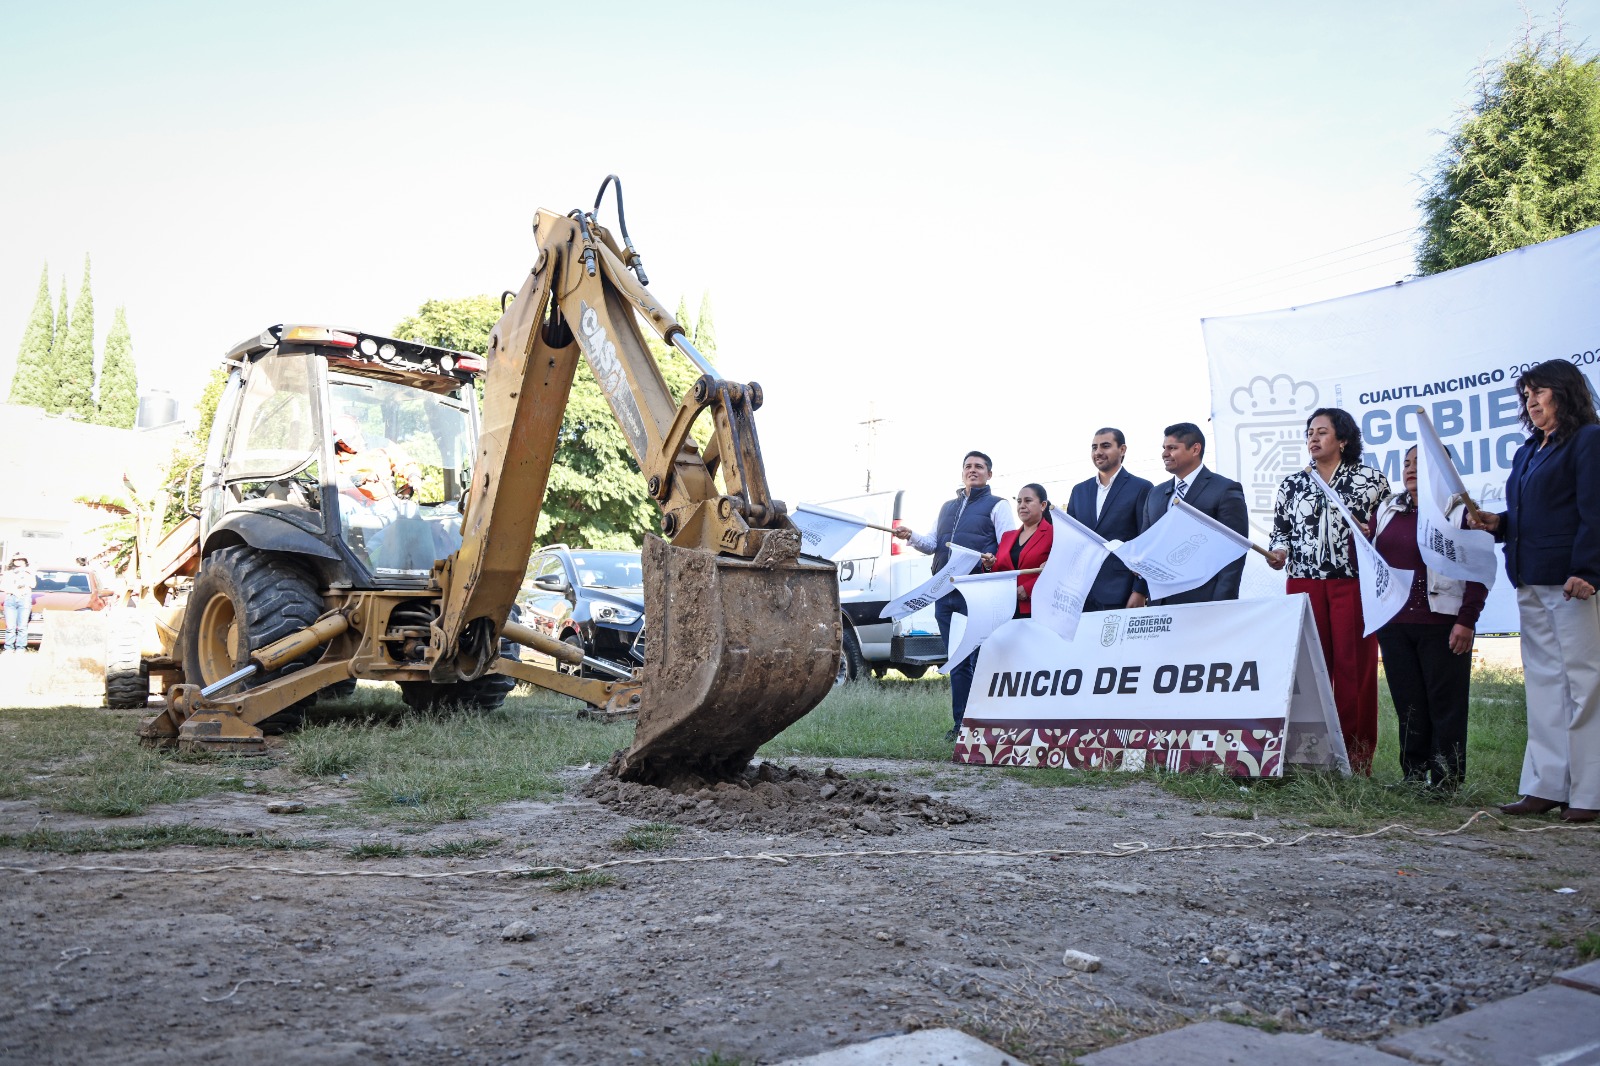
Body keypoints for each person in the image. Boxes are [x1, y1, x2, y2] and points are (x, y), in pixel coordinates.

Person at [1467, 360, 1600, 822]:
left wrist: (1589, 569)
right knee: (1545, 686)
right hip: (1529, 576)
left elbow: (1594, 511)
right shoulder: (1528, 451)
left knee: (1584, 684)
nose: (1531, 401)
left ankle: (1589, 793)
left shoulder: (1587, 440)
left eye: (1538, 391)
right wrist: (1497, 523)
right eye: (1526, 395)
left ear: (1563, 392)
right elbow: (1531, 516)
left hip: (1572, 583)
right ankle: (1546, 785)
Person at [1265, 407, 1392, 774]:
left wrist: (1372, 535)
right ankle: (1308, 757)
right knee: (1306, 671)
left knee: (1355, 670)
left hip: (1351, 583)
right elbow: (1281, 532)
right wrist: (1279, 553)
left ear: (1344, 439)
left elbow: (1386, 531)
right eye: (1309, 432)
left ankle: (1355, 758)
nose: (1313, 438)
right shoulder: (1293, 483)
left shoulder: (1371, 481)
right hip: (1303, 583)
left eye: (1322, 432)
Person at [1373, 446, 1488, 791]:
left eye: (1418, 463)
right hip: (1395, 624)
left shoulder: (1460, 512)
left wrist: (1467, 619)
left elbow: (1478, 569)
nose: (1409, 469)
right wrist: (1360, 537)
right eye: (1405, 464)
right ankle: (1412, 775)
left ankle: (1446, 781)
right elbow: (1370, 558)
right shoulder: (1388, 509)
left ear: (1441, 469)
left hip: (1443, 621)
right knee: (1408, 703)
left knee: (1445, 705)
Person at [894, 451, 1017, 739]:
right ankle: (961, 726)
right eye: (968, 467)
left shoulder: (998, 505)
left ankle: (987, 721)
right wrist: (910, 536)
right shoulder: (947, 507)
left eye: (979, 467)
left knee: (978, 658)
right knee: (957, 661)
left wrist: (992, 559)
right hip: (944, 590)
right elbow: (932, 543)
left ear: (989, 474)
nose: (972, 470)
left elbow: (1008, 545)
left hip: (975, 590)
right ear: (962, 473)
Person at [1127, 422, 1250, 608]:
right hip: (1160, 603)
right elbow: (1148, 545)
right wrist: (1140, 589)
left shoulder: (1224, 489)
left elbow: (1234, 552)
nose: (1164, 454)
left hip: (1204, 601)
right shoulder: (1155, 494)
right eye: (1164, 448)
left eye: (1172, 448)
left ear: (1195, 449)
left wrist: (1222, 604)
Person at [1065, 428, 1152, 612]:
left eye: (1105, 446)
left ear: (1122, 449)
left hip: (1122, 591)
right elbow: (1071, 540)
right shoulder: (1079, 491)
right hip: (1081, 593)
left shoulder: (1141, 487)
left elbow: (1147, 542)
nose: (1098, 452)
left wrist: (1140, 590)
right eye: (1094, 447)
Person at [982, 483, 1054, 618]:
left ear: (1043, 505)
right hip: (1004, 609)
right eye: (1019, 501)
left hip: (1037, 609)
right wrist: (988, 566)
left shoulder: (1054, 534)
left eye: (1028, 501)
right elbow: (998, 569)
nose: (1022, 505)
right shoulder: (1007, 536)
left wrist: (1028, 589)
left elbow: (1058, 571)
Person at [2, 555, 37, 653]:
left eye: (20, 559)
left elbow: (33, 585)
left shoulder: (28, 572)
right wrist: (13, 590)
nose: (17, 561)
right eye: (15, 559)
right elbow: (2, 586)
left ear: (25, 561)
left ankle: (20, 648)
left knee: (22, 626)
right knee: (10, 627)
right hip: (10, 599)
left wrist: (30, 574)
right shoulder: (8, 573)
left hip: (24, 599)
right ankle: (9, 648)